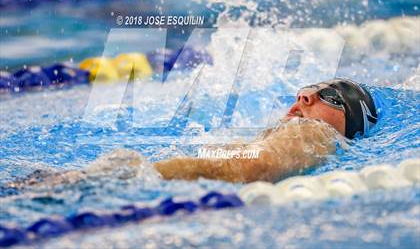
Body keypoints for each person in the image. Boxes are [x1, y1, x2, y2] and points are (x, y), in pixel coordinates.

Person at [7, 78, 378, 190]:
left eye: (328, 96)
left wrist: (135, 172)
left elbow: (252, 167)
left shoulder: (315, 134)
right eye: (306, 89)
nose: (305, 96)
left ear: (350, 122)